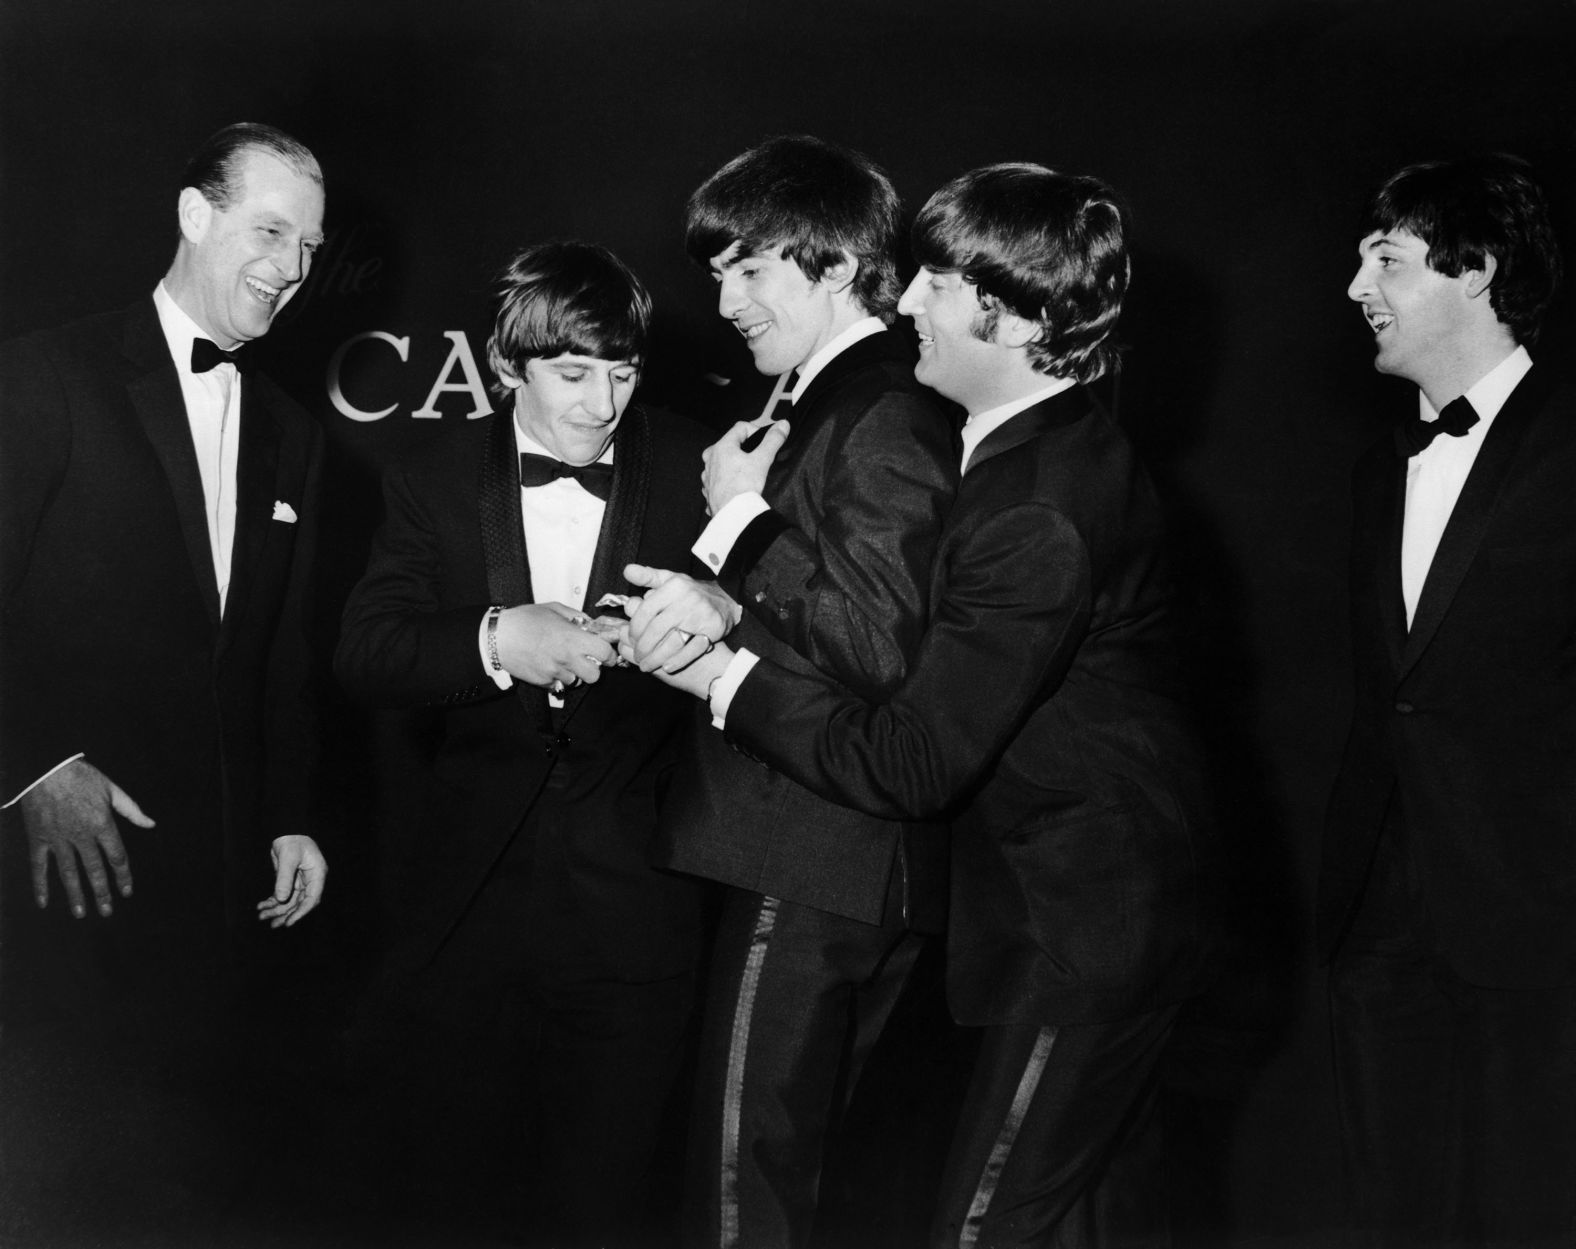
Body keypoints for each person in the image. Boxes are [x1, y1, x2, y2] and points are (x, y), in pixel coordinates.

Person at [631, 163, 1219, 1247]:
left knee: (962, 1223)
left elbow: (903, 734)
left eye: (935, 283)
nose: (905, 304)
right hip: (1058, 910)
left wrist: (722, 648)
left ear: (1003, 307)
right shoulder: (1023, 454)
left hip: (1069, 921)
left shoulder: (1032, 497)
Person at [334, 241, 714, 1248]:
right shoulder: (428, 475)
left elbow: (789, 626)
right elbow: (367, 652)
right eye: (572, 372)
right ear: (507, 366)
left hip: (640, 916)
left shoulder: (696, 465)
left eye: (623, 372)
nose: (601, 403)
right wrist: (498, 638)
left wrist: (721, 606)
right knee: (456, 1199)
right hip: (464, 911)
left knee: (605, 1207)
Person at [620, 134, 958, 1247]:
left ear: (834, 266)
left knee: (745, 1189)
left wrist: (733, 520)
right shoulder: (834, 402)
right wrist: (715, 605)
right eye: (716, 270)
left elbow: (875, 641)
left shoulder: (884, 410)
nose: (722, 300)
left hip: (810, 853)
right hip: (810, 853)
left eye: (750, 267)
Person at [0, 122, 331, 1240]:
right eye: (269, 230)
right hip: (58, 888)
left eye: (309, 247)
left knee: (200, 1176)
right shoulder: (42, 374)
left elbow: (278, 649)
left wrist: (291, 815)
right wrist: (34, 768)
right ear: (194, 216)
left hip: (223, 891)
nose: (289, 268)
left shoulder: (294, 430)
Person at [1320, 155, 1575, 1246]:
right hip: (1384, 908)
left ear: (1474, 272)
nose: (1352, 288)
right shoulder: (1379, 469)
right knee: (1394, 1210)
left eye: (1386, 260)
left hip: (1542, 916)